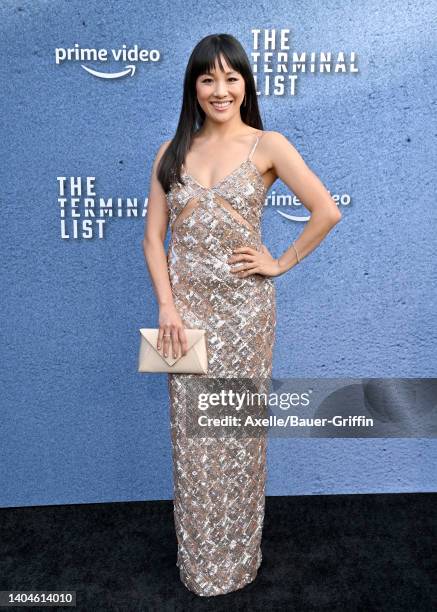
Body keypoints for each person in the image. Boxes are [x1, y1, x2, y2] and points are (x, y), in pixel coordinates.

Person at [143, 33, 341, 597]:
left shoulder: (267, 144)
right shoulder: (170, 151)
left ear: (246, 84)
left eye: (231, 78)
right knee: (191, 436)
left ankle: (235, 562)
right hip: (183, 317)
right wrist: (166, 305)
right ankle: (199, 563)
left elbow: (325, 211)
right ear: (194, 87)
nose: (220, 89)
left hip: (245, 314)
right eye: (208, 79)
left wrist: (281, 261)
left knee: (236, 434)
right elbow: (153, 240)